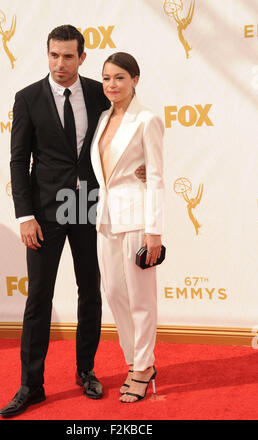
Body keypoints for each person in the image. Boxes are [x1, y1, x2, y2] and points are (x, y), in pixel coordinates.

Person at [0, 26, 145, 418]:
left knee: (90, 291)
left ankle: (86, 370)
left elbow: (124, 134)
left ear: (82, 58)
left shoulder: (101, 93)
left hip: (89, 204)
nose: (59, 64)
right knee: (38, 298)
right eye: (53, 55)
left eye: (67, 56)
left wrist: (140, 169)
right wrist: (25, 215)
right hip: (45, 211)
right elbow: (18, 160)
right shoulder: (28, 98)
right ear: (46, 54)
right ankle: (31, 385)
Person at [91, 52, 164, 403]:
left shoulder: (146, 120)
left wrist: (154, 231)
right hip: (105, 218)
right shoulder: (103, 117)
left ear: (135, 79)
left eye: (119, 77)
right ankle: (133, 360)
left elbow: (157, 178)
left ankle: (143, 366)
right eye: (106, 78)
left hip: (136, 218)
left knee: (141, 298)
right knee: (115, 294)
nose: (111, 85)